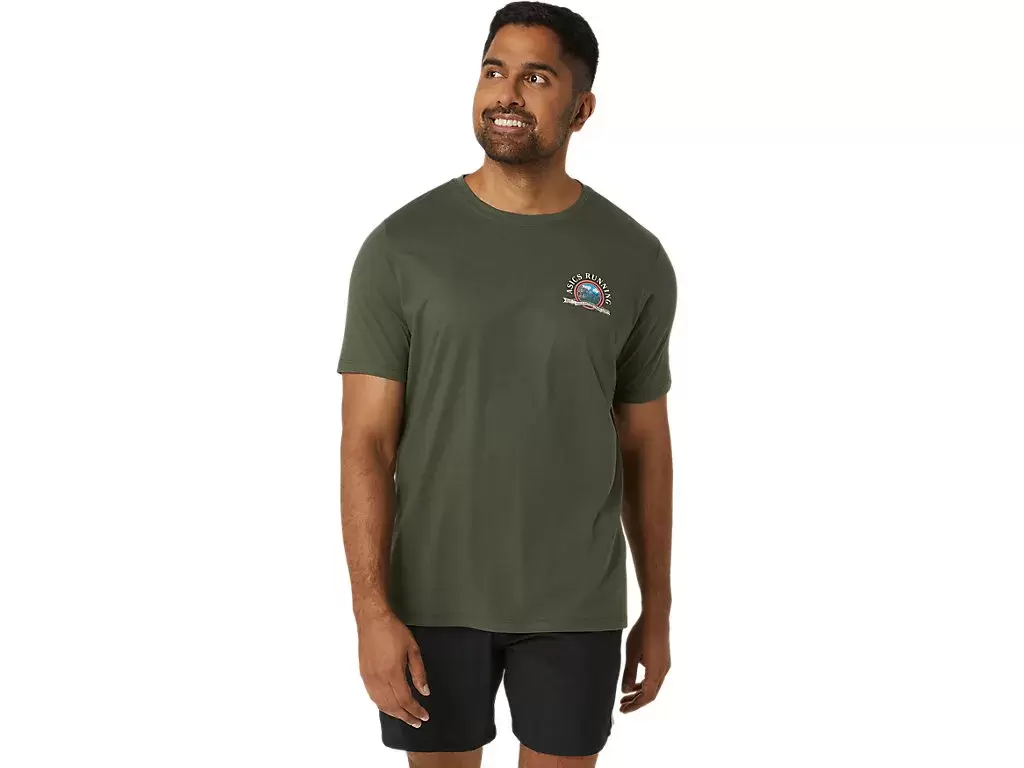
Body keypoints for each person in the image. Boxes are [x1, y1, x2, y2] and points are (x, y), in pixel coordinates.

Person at [336, 3, 676, 766]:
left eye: (536, 78)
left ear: (581, 109)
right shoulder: (400, 248)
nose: (507, 95)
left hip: (576, 603)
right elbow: (366, 443)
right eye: (494, 71)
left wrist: (657, 609)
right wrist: (370, 613)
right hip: (431, 600)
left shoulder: (634, 258)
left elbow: (644, 444)